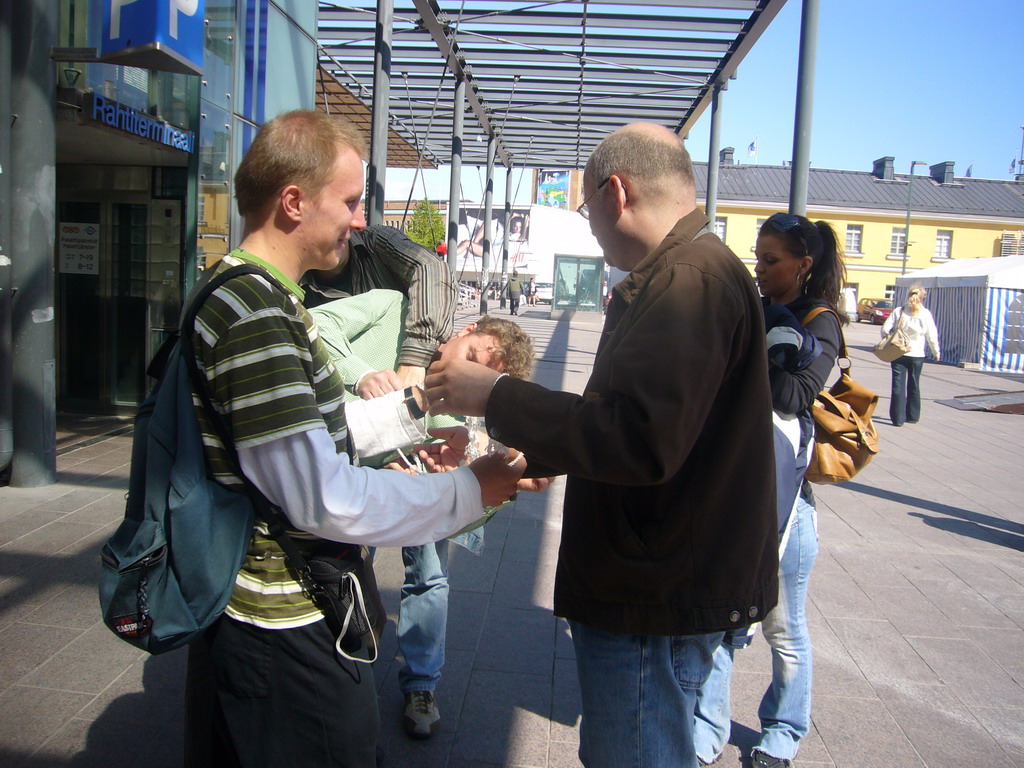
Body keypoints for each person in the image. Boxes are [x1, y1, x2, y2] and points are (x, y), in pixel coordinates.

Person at [422, 122, 778, 768]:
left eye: (586, 209)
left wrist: (493, 394)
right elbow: (625, 421)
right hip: (657, 581)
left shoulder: (687, 284)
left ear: (616, 193)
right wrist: (526, 457)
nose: (590, 226)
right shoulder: (684, 272)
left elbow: (637, 441)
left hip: (651, 593)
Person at [183, 110, 524, 768]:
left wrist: (421, 402)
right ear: (292, 202)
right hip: (280, 631)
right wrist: (469, 491)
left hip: (288, 617)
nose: (361, 219)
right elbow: (323, 499)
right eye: (349, 200)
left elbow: (323, 431)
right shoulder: (255, 314)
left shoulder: (269, 300)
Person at [311, 289, 536, 739]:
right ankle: (333, 668)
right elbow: (312, 324)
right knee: (342, 567)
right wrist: (362, 377)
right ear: (466, 330)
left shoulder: (471, 405)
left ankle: (420, 684)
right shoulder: (397, 307)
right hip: (348, 473)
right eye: (470, 355)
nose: (463, 374)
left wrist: (479, 482)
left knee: (430, 574)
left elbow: (472, 509)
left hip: (417, 487)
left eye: (479, 376)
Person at [694, 213, 847, 768]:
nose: (758, 271)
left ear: (804, 264)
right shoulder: (757, 309)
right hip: (736, 489)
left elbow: (794, 393)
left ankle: (783, 731)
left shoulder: (821, 321)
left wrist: (759, 339)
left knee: (784, 631)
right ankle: (706, 728)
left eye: (771, 261)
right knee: (720, 620)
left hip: (785, 508)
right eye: (756, 259)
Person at [302, 224, 459, 390]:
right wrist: (360, 376)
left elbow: (431, 268)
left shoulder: (375, 241)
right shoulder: (286, 278)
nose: (359, 220)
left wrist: (414, 360)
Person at [881, 285, 940, 426]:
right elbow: (931, 335)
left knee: (897, 385)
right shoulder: (925, 314)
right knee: (914, 384)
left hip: (898, 352)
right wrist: (936, 352)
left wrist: (887, 339)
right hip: (917, 354)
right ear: (922, 298)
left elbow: (885, 329)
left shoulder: (899, 311)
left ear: (908, 296)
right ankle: (913, 416)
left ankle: (897, 418)